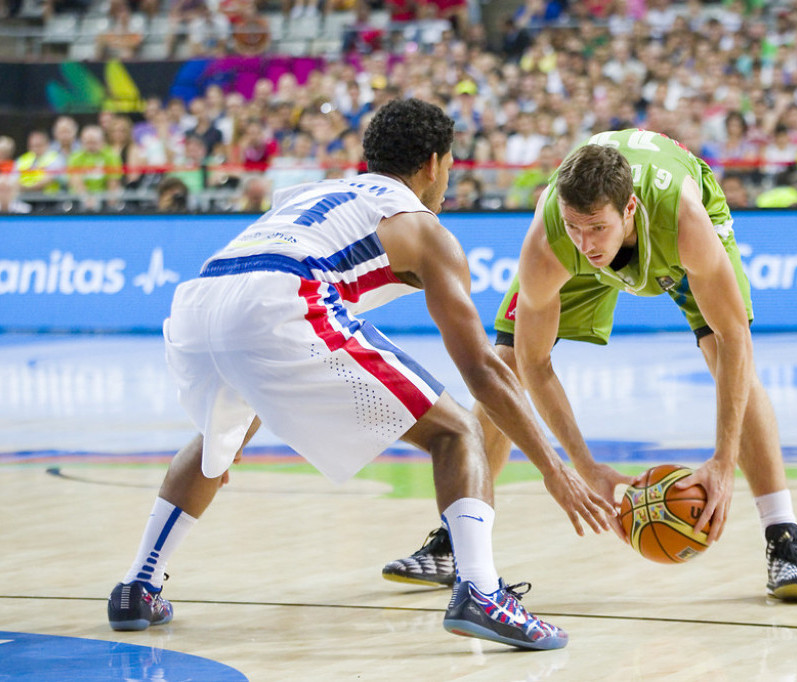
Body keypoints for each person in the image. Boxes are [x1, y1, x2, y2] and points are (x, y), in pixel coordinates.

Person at [106, 98, 615, 651]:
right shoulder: (425, 230)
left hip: (200, 298)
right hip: (283, 295)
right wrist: (553, 468)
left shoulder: (321, 190)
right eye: (449, 166)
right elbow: (483, 371)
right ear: (433, 164)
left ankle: (138, 584)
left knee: (219, 440)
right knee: (457, 432)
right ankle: (481, 592)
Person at [383, 128, 797, 603]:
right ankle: (456, 540)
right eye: (576, 226)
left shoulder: (684, 222)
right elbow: (534, 362)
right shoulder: (553, 240)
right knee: (505, 364)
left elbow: (736, 339)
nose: (586, 242)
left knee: (724, 356)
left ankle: (785, 541)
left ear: (629, 210)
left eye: (597, 228)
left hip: (673, 226)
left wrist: (722, 461)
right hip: (599, 220)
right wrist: (586, 466)